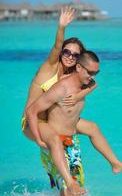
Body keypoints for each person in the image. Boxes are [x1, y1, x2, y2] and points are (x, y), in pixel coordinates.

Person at [22, 7, 122, 195]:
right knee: (53, 139)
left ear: (79, 62)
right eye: (66, 52)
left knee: (92, 127)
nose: (69, 56)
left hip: (55, 120)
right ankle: (69, 183)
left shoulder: (74, 75)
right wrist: (61, 27)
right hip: (33, 120)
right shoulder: (50, 68)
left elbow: (93, 82)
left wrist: (78, 96)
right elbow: (56, 46)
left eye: (75, 55)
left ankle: (114, 163)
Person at [26, 51, 99, 196]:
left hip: (71, 143)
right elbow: (31, 111)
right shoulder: (60, 87)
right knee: (68, 189)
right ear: (79, 67)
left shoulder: (83, 85)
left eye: (96, 72)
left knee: (77, 191)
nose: (93, 76)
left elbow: (94, 83)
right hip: (54, 143)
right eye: (90, 72)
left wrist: (80, 94)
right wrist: (39, 139)